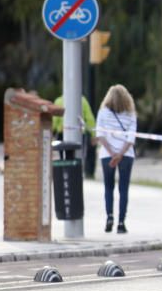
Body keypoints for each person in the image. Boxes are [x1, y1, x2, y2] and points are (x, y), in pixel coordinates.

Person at [95, 85, 137, 233]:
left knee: (108, 187)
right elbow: (131, 137)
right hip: (126, 155)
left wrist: (112, 153)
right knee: (123, 189)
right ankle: (121, 223)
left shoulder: (103, 112)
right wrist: (120, 154)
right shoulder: (130, 113)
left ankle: (109, 217)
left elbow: (100, 135)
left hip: (107, 154)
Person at [52, 94, 97, 176]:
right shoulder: (82, 101)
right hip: (79, 134)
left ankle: (65, 175)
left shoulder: (59, 101)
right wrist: (93, 134)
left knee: (63, 158)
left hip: (62, 133)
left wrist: (52, 131)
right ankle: (76, 175)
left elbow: (55, 119)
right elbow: (89, 118)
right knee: (78, 156)